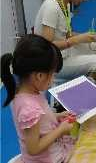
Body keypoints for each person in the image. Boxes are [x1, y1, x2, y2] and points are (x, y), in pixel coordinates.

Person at [1, 34, 75, 163]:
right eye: (52, 75)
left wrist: (57, 116)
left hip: (53, 152)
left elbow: (41, 120)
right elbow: (34, 148)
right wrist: (61, 130)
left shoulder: (29, 92)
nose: (52, 79)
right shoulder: (28, 107)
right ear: (39, 76)